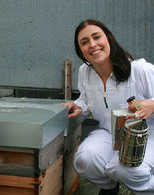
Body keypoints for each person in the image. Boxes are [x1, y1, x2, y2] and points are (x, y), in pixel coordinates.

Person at [64, 19, 154, 195]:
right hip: (110, 132)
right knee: (85, 159)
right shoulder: (85, 71)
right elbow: (87, 99)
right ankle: (109, 189)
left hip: (148, 134)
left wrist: (153, 104)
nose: (92, 44)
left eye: (97, 37)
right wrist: (78, 106)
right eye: (84, 42)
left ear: (109, 39)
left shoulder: (140, 70)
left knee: (122, 168)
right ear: (80, 50)